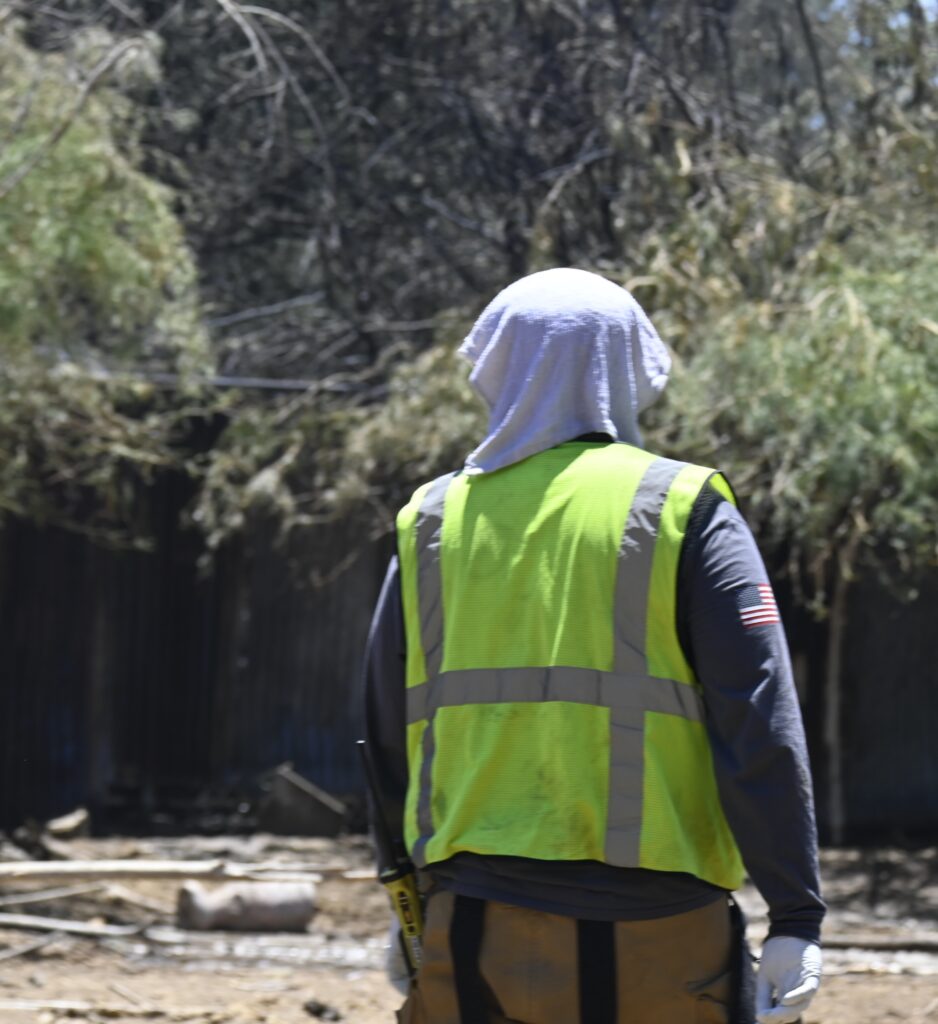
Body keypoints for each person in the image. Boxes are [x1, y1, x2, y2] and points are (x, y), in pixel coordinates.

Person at [362, 268, 824, 1024]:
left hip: (471, 929)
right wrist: (795, 913)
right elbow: (758, 716)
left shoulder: (431, 521)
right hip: (660, 939)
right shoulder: (683, 508)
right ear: (634, 369)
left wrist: (404, 900)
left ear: (493, 367)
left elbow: (383, 735)